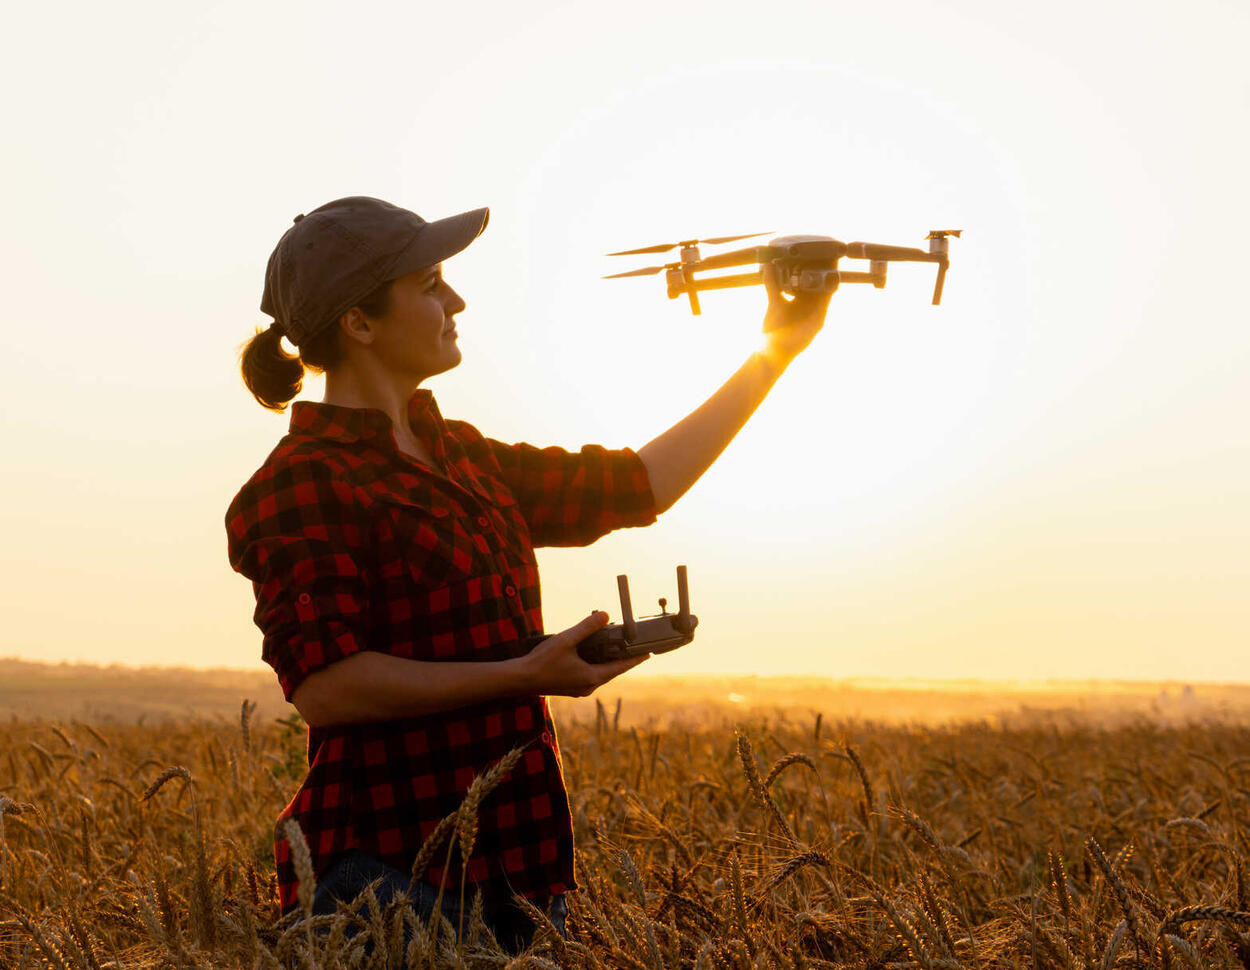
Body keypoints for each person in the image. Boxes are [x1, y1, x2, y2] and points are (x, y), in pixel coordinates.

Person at [225, 196, 830, 954]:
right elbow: (328, 686)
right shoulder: (300, 486)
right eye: (431, 284)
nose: (457, 301)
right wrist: (524, 673)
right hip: (388, 877)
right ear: (360, 322)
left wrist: (779, 347)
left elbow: (637, 486)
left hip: (522, 868)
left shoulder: (463, 455)